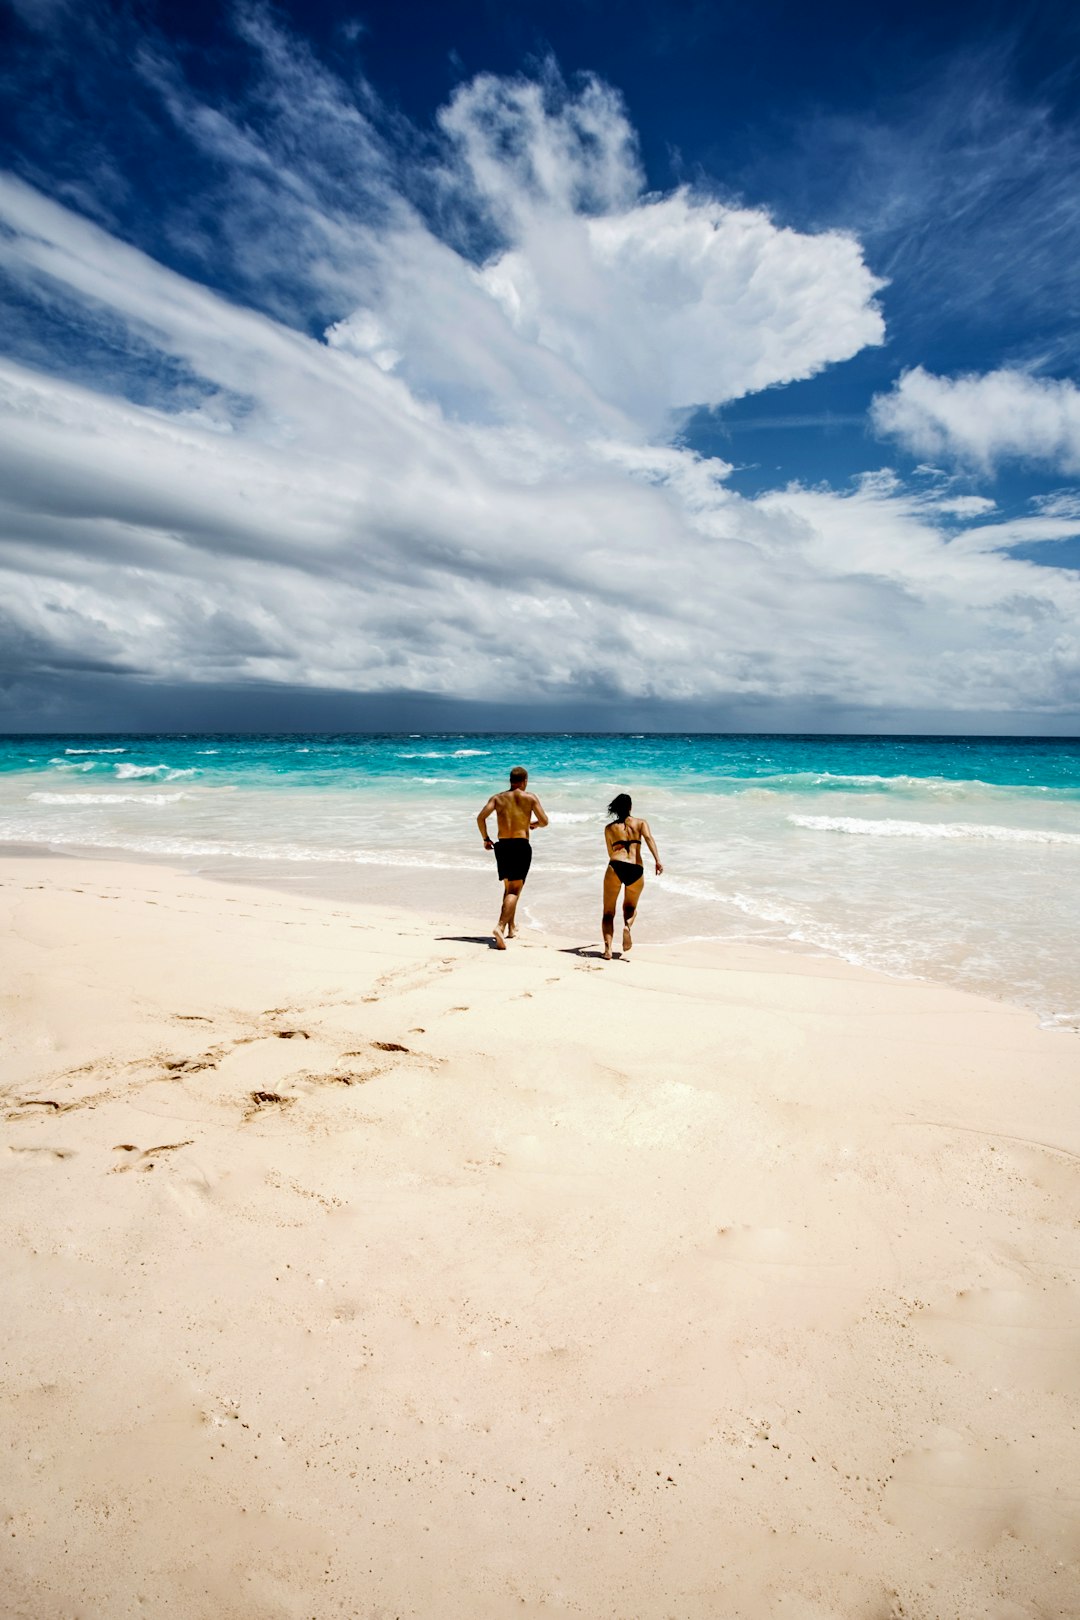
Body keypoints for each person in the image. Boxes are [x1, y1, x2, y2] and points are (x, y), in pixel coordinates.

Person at [476, 766, 549, 950]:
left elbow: (480, 818)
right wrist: (534, 825)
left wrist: (486, 838)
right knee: (515, 891)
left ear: (511, 781)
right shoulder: (530, 797)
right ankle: (500, 926)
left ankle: (511, 927)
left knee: (509, 887)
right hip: (520, 846)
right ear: (524, 781)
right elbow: (545, 821)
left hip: (502, 846)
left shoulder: (497, 798)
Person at [602, 792, 662, 959]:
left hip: (615, 865)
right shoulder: (641, 823)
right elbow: (649, 839)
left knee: (608, 913)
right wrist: (658, 860)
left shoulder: (609, 828)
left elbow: (610, 851)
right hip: (636, 868)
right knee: (630, 908)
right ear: (630, 807)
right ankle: (627, 926)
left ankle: (607, 950)